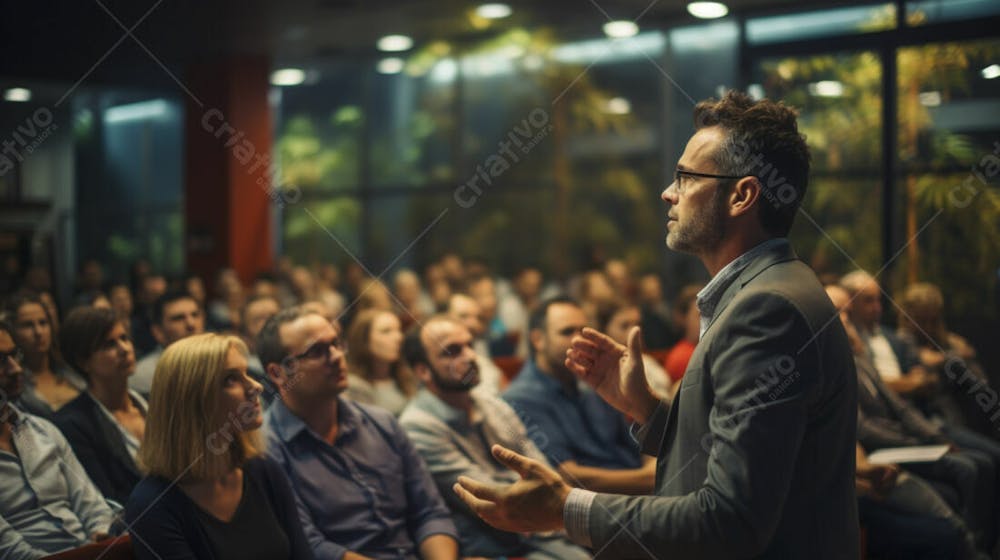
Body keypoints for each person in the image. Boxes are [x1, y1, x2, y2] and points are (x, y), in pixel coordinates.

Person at [455, 91, 859, 558]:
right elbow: (736, 455)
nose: (668, 192)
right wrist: (647, 409)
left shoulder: (767, 310)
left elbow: (730, 521)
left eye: (686, 177)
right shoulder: (774, 287)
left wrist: (567, 507)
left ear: (743, 195)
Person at [258, 307, 460, 559]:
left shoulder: (382, 423)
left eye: (336, 344)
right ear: (278, 373)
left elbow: (430, 513)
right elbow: (311, 546)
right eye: (317, 351)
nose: (335, 357)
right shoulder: (266, 448)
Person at [399, 316, 590, 560]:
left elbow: (539, 465)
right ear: (423, 371)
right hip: (492, 543)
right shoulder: (418, 426)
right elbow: (492, 495)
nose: (469, 356)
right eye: (452, 351)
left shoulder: (488, 402)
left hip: (540, 526)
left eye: (470, 345)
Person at [125, 333, 312, 560]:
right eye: (231, 379)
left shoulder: (264, 470)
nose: (256, 387)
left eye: (245, 373)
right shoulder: (151, 504)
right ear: (192, 402)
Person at [503, 297, 654, 495]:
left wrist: (656, 466)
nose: (578, 340)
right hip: (598, 506)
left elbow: (640, 445)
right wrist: (651, 479)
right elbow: (569, 476)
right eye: (566, 332)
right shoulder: (521, 397)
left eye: (582, 331)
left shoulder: (592, 380)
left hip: (642, 491)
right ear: (538, 340)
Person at [0, 319, 118, 559]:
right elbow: (10, 550)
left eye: (14, 356)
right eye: (1, 361)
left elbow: (91, 503)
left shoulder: (42, 430)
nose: (16, 369)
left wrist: (101, 533)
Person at [55, 307, 145, 505]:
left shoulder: (153, 402)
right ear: (83, 362)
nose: (124, 349)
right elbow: (107, 499)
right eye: (109, 345)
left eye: (124, 338)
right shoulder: (73, 424)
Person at [6, 291, 84, 417]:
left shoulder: (71, 369)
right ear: (12, 331)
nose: (38, 332)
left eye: (43, 323)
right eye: (27, 325)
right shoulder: (13, 386)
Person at [129, 289, 205, 396]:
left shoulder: (223, 362)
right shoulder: (144, 376)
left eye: (195, 315)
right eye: (178, 318)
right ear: (158, 332)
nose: (191, 324)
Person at [344, 308, 416, 415]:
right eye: (386, 331)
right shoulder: (353, 387)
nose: (399, 337)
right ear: (364, 340)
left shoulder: (406, 377)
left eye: (399, 330)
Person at [597, 301, 673, 401]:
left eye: (637, 324)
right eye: (624, 326)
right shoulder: (602, 372)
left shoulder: (648, 361)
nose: (634, 331)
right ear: (604, 330)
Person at [446, 293, 504, 394]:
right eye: (464, 316)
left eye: (477, 318)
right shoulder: (441, 359)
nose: (473, 324)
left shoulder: (480, 349)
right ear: (443, 319)